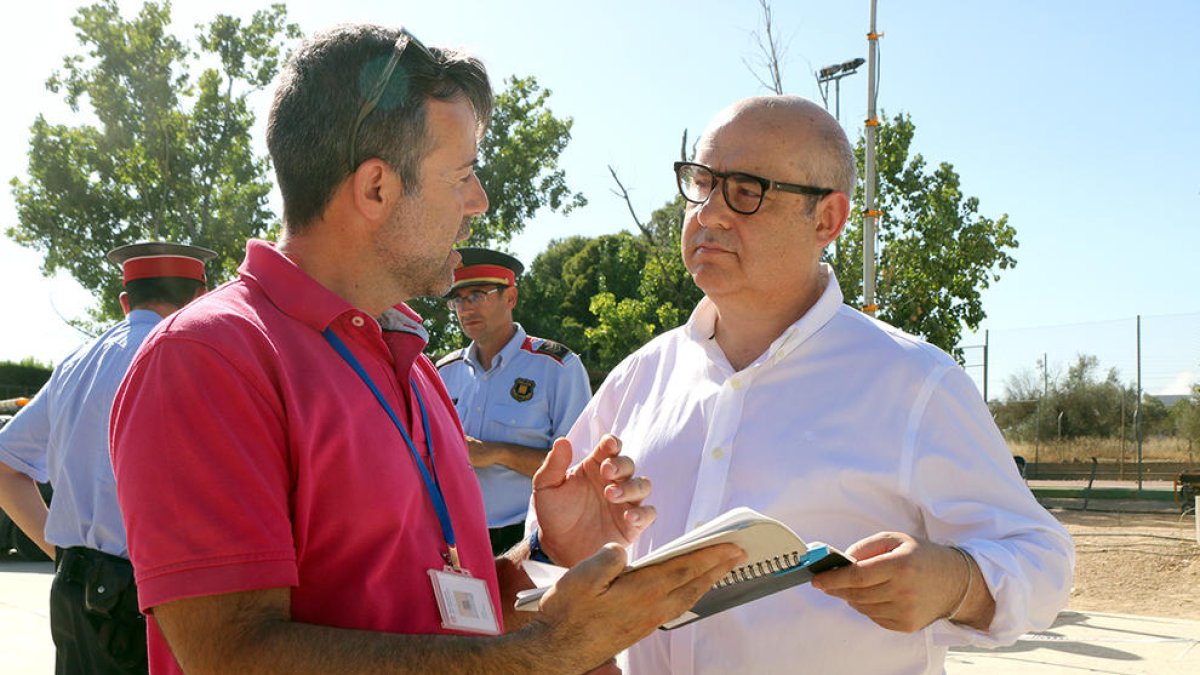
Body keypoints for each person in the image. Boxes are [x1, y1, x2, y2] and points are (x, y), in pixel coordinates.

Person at [107, 24, 743, 675]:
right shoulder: (208, 359)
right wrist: (546, 654)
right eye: (463, 175)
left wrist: (551, 549)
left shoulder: (411, 365)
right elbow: (234, 655)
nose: (479, 202)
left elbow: (446, 611)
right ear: (376, 188)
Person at [550, 96, 1075, 674]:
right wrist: (566, 551)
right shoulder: (639, 378)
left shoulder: (913, 381)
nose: (709, 215)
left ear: (827, 219)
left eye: (746, 190)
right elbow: (560, 552)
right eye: (701, 184)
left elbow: (1041, 558)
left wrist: (958, 585)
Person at [0, 241, 213, 675]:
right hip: (148, 596)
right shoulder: (190, 354)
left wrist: (63, 551)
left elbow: (5, 464)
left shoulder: (76, 363)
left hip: (72, 590)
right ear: (201, 297)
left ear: (124, 301)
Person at [438, 247, 592, 554]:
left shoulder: (556, 367)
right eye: (458, 299)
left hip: (533, 537)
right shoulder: (444, 374)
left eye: (478, 295)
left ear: (511, 298)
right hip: (458, 536)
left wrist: (497, 453)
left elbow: (579, 468)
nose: (465, 308)